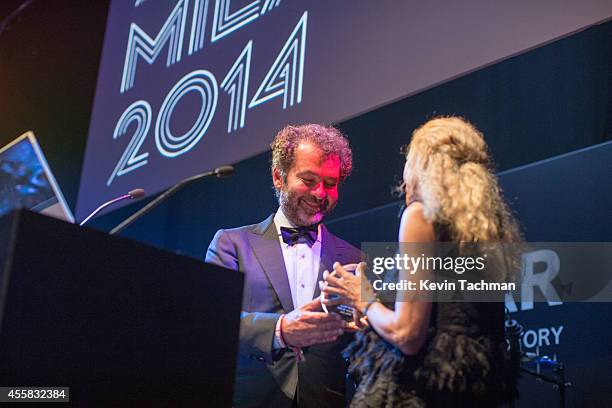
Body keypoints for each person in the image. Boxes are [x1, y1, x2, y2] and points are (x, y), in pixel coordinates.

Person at [322, 116, 521, 407]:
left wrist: (361, 296)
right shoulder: (489, 232)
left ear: (423, 165)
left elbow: (408, 334)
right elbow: (448, 322)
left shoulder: (420, 216)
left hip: (415, 392)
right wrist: (374, 317)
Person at [206, 124, 361, 408]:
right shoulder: (232, 243)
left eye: (329, 184)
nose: (319, 193)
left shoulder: (354, 258)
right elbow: (213, 323)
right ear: (279, 177)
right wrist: (280, 330)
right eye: (308, 179)